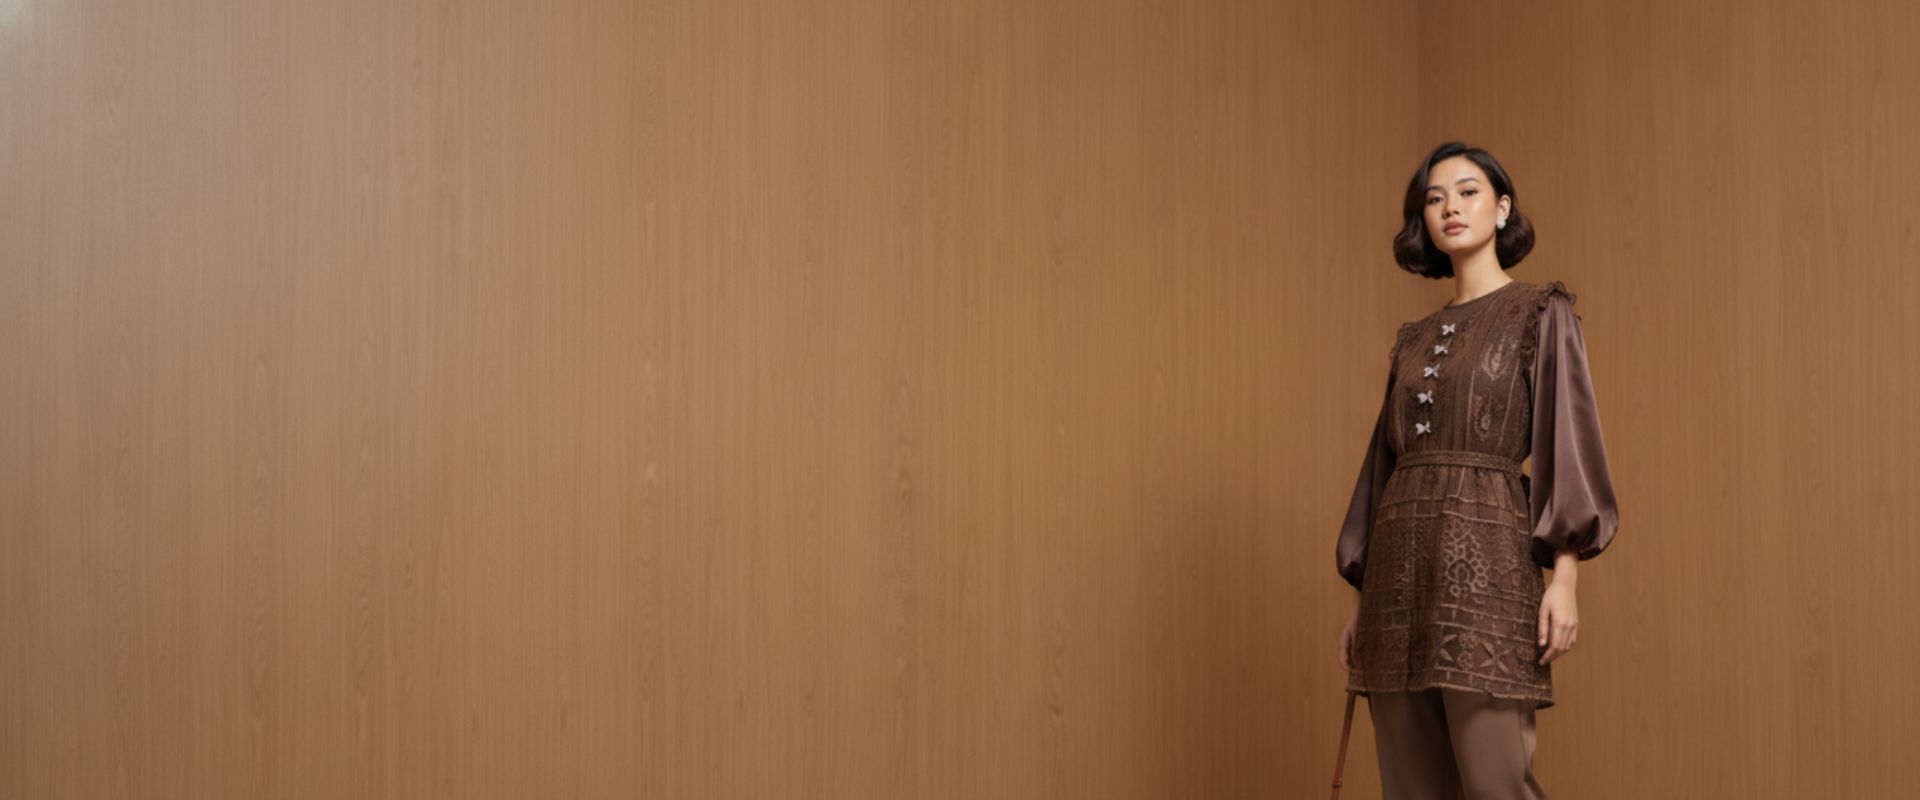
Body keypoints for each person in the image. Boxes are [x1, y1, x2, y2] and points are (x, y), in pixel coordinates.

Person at [1333, 141, 1621, 799]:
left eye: (1467, 192)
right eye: (1434, 199)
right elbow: (1380, 471)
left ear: (1502, 208)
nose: (1450, 208)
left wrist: (1566, 577)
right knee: (1411, 787)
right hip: (1395, 588)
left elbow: (1567, 442)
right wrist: (1360, 600)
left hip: (1488, 577)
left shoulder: (1540, 311)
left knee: (1497, 784)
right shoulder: (1410, 340)